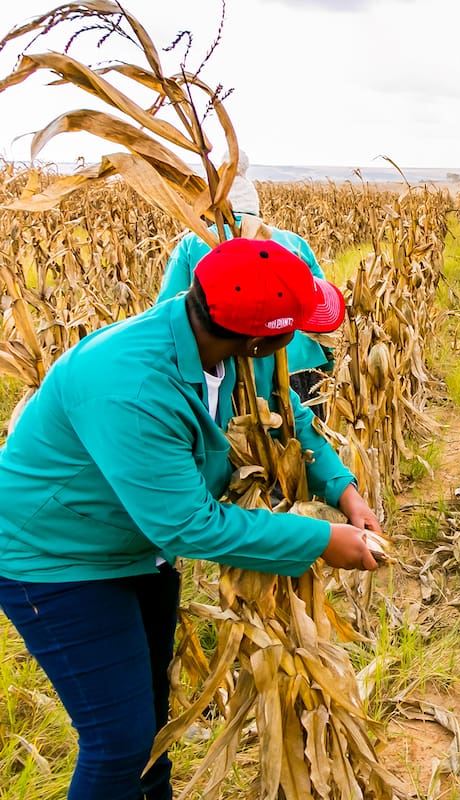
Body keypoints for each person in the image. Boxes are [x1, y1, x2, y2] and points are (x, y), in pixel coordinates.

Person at [0, 238, 381, 800]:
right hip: (56, 559)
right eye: (295, 332)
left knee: (152, 730)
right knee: (119, 743)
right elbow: (189, 526)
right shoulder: (131, 387)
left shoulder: (222, 346)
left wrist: (344, 492)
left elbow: (288, 417)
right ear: (258, 340)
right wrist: (322, 539)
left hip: (133, 547)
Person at [157, 152, 333, 414]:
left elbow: (168, 308)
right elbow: (319, 314)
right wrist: (328, 363)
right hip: (300, 365)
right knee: (302, 432)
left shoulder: (192, 243)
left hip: (232, 373)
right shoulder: (293, 243)